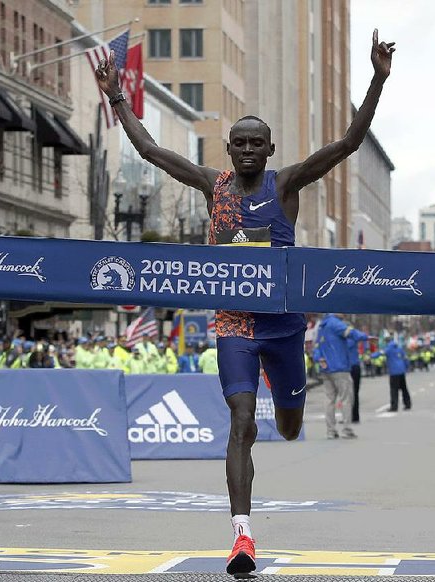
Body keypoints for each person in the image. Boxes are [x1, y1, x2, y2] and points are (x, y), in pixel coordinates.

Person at [97, 28, 393, 575]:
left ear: (271, 149)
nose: (249, 150)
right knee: (240, 423)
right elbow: (150, 149)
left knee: (285, 424)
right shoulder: (214, 186)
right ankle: (242, 536)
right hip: (234, 324)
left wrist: (376, 79)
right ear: (229, 148)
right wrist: (117, 95)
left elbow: (348, 144)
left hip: (282, 328)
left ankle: (288, 409)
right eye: (241, 142)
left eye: (258, 143)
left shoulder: (286, 185)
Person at [313, 313, 368, 439]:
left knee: (329, 400)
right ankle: (346, 429)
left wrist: (319, 358)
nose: (345, 313)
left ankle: (330, 431)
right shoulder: (335, 323)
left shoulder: (321, 326)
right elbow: (350, 333)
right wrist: (366, 337)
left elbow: (316, 347)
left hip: (326, 368)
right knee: (346, 398)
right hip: (340, 367)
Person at [385, 339, 411, 411]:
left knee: (394, 390)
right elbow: (405, 358)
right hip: (401, 371)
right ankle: (407, 404)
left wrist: (371, 356)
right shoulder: (400, 349)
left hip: (393, 372)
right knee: (404, 388)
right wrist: (407, 366)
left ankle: (394, 406)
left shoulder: (388, 349)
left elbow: (380, 353)